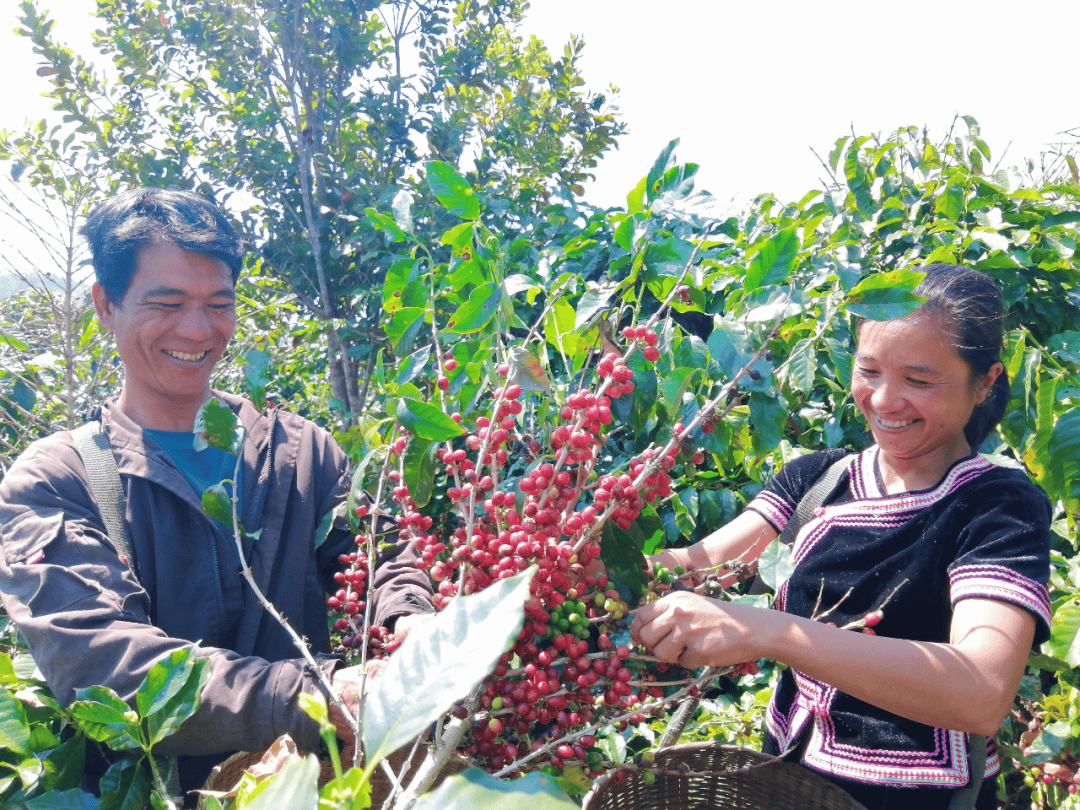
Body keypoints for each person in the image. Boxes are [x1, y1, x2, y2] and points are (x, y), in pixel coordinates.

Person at [0, 187, 434, 803]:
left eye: (218, 303)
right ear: (105, 304)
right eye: (167, 303)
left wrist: (409, 614)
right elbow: (106, 669)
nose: (197, 329)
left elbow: (378, 556)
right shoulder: (56, 481)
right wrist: (315, 696)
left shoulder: (300, 451)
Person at [631, 263, 1051, 810]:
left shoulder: (997, 505)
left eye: (919, 381)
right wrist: (581, 559)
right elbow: (696, 566)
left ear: (985, 382)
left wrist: (773, 632)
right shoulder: (816, 479)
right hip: (787, 784)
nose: (883, 400)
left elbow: (980, 690)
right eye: (869, 370)